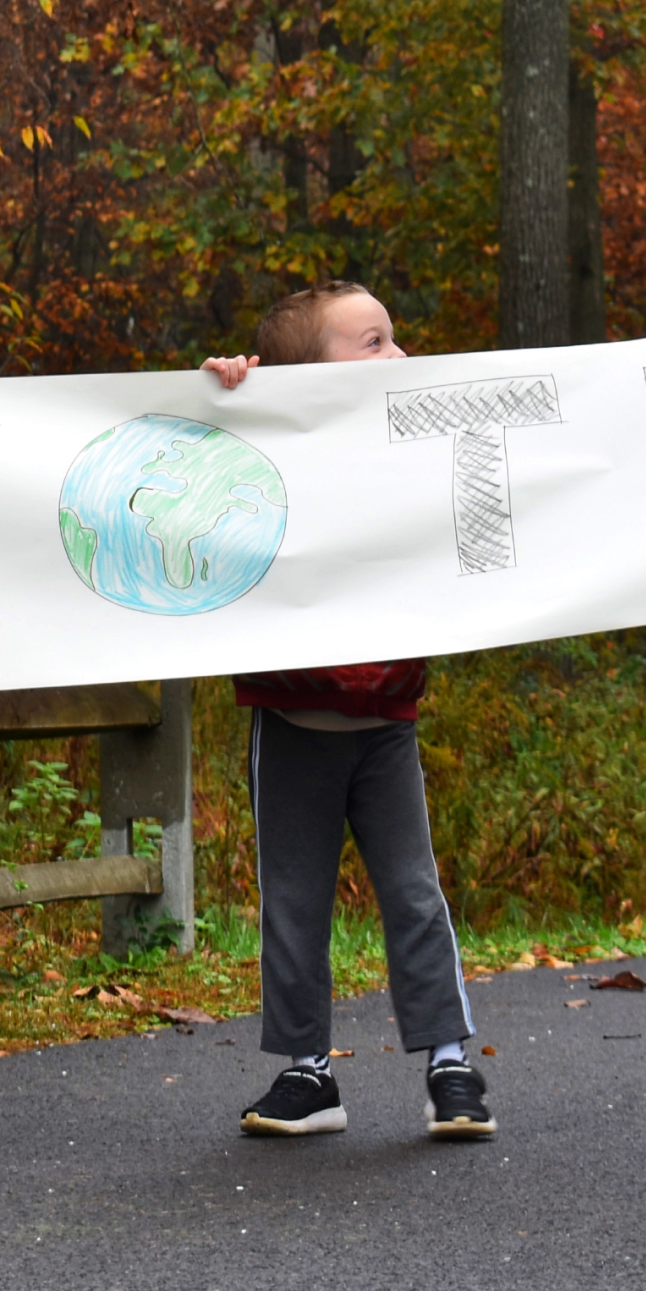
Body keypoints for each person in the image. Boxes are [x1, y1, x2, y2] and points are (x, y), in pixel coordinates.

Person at [201, 282, 492, 1140]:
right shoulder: (261, 449)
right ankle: (307, 1072)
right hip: (291, 724)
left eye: (394, 340)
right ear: (306, 375)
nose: (396, 357)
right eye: (371, 343)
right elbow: (206, 472)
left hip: (385, 723)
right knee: (293, 901)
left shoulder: (413, 449)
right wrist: (232, 393)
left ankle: (449, 1063)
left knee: (412, 893)